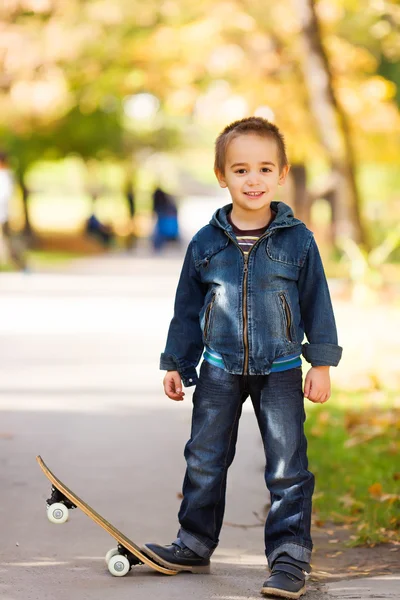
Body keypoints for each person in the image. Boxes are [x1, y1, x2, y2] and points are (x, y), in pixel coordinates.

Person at [143, 117, 343, 599]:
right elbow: (187, 309)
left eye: (263, 169)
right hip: (217, 368)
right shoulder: (206, 242)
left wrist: (320, 363)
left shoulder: (299, 240)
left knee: (287, 466)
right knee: (205, 459)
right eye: (240, 170)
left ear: (281, 174)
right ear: (221, 175)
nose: (252, 180)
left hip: (279, 371)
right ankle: (193, 542)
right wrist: (177, 363)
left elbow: (318, 302)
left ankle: (290, 556)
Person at [151, 186, 180, 252]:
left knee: (161, 230)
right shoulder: (165, 198)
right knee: (162, 230)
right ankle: (159, 245)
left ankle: (158, 246)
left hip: (163, 214)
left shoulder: (159, 198)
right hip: (165, 213)